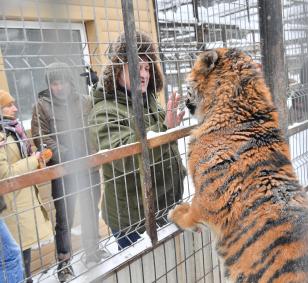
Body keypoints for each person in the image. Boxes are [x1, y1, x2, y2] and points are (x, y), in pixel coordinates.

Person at [88, 31, 186, 250]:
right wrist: (164, 130)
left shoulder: (148, 101)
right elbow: (125, 160)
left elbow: (164, 144)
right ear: (117, 70)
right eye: (136, 67)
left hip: (161, 209)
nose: (144, 74)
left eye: (147, 68)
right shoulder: (103, 111)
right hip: (133, 222)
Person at [31, 62, 107, 282]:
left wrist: (92, 153)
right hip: (63, 172)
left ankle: (92, 249)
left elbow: (97, 124)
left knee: (91, 209)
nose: (59, 87)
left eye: (62, 82)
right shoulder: (41, 106)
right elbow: (41, 138)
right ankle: (64, 264)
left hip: (88, 168)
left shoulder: (84, 101)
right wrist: (68, 154)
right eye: (54, 84)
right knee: (64, 219)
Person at [0, 90, 52, 283]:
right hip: (11, 204)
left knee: (23, 253)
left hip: (24, 199)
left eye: (14, 103)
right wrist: (33, 160)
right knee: (14, 258)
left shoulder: (14, 129)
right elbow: (3, 174)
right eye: (8, 105)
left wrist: (37, 156)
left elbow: (24, 157)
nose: (14, 108)